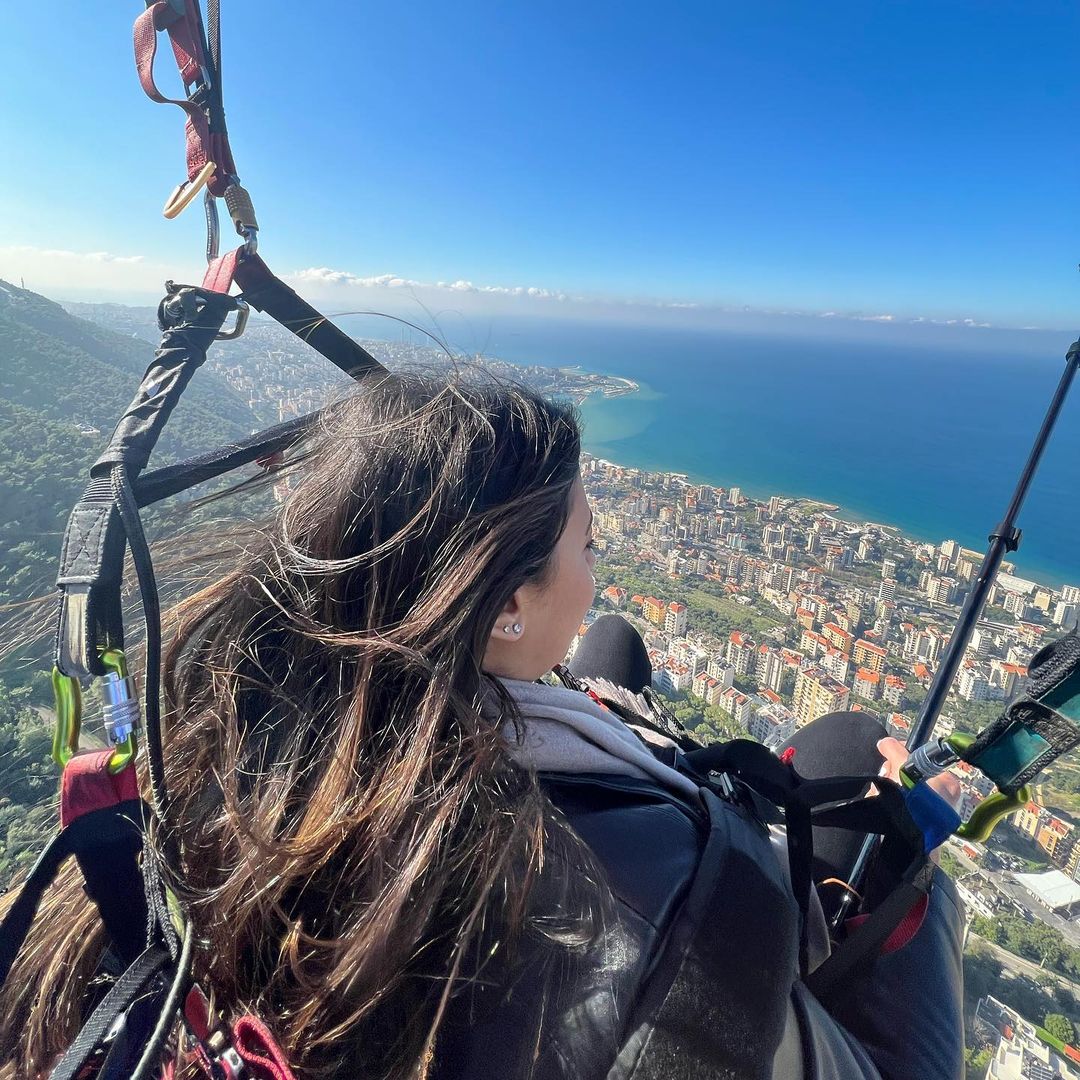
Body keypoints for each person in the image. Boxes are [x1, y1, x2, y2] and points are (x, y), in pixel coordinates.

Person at [0, 373, 964, 1080]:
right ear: (503, 605)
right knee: (850, 753)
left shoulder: (222, 737)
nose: (598, 570)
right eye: (587, 545)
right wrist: (913, 853)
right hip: (676, 988)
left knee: (612, 647)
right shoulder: (643, 901)